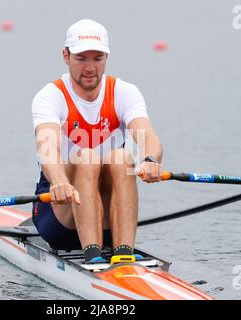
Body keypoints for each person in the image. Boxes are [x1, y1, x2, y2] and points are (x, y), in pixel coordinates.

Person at [31, 19, 163, 264]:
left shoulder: (125, 92)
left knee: (122, 157)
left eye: (97, 58)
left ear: (107, 57)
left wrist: (151, 159)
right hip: (61, 216)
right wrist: (59, 182)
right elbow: (47, 147)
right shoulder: (51, 96)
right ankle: (92, 256)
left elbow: (147, 136)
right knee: (88, 156)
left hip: (108, 222)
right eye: (81, 58)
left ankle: (123, 252)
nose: (90, 67)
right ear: (66, 56)